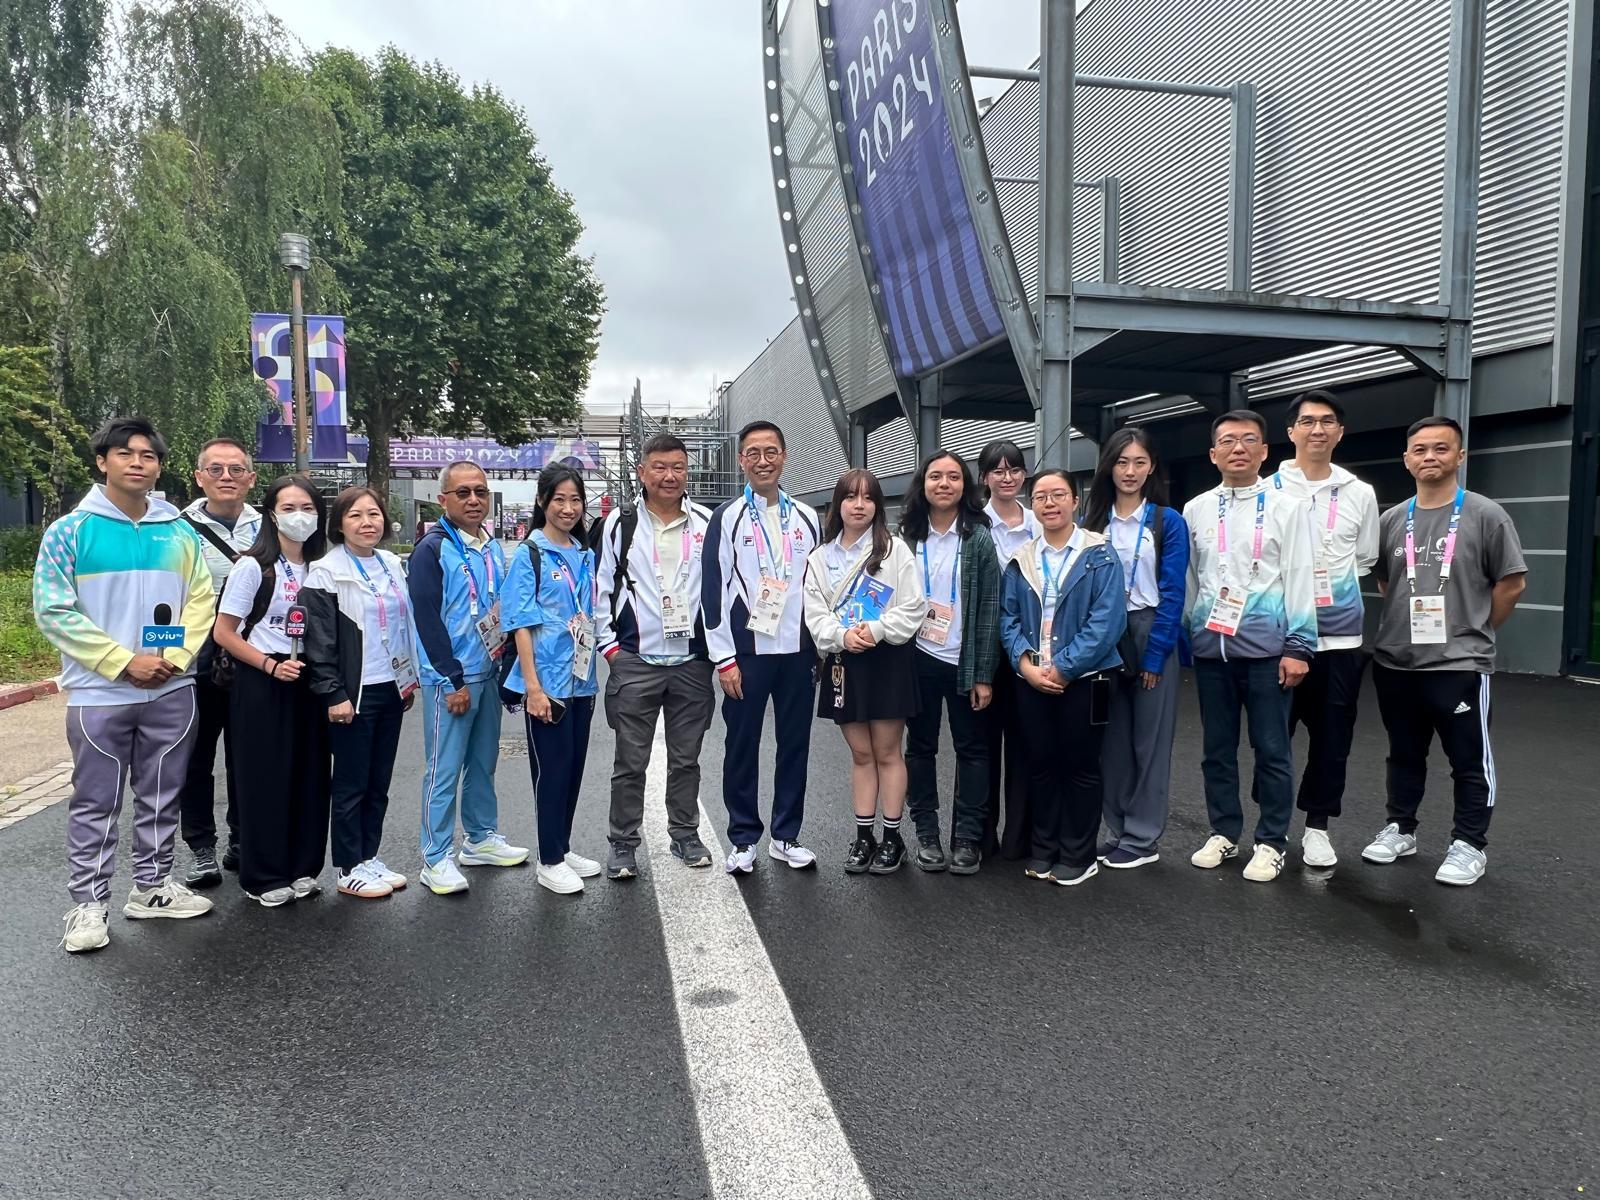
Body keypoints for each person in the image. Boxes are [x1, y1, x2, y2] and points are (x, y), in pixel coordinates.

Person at [35, 417, 217, 952]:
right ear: (103, 461)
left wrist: (174, 658)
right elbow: (53, 609)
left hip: (171, 688)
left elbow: (201, 601)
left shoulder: (178, 531)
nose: (138, 462)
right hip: (100, 693)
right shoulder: (71, 530)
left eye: (149, 455)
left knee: (162, 795)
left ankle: (153, 887)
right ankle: (88, 906)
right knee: (96, 801)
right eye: (126, 453)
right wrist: (121, 661)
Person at [1363, 417, 1526, 886]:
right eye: (1419, 449)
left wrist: (1474, 631)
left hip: (1458, 664)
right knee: (1404, 752)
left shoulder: (1485, 514)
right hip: (1396, 660)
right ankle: (1401, 827)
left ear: (1460, 457)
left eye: (1440, 449)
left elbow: (1511, 584)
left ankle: (1469, 844)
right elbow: (1387, 582)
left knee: (1469, 758)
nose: (1429, 457)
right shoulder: (1393, 519)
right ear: (1406, 459)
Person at [1183, 409, 1317, 883]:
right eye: (1227, 441)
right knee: (1216, 749)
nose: (1237, 448)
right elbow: (1193, 580)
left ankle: (1272, 841)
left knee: (1271, 749)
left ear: (1264, 451)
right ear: (1213, 452)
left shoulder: (1289, 507)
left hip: (1266, 652)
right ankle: (1224, 831)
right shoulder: (1196, 508)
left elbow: (1301, 575)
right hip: (1211, 651)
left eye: (1248, 440)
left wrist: (1299, 647)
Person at [595, 433, 717, 881]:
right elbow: (601, 589)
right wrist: (610, 649)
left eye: (679, 467)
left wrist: (715, 654)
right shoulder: (620, 523)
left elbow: (720, 592)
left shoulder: (706, 522)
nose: (670, 475)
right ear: (642, 472)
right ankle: (623, 844)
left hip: (691, 662)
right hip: (635, 659)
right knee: (630, 761)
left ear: (688, 472)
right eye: (660, 467)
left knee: (687, 758)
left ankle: (685, 834)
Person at [703, 420, 821, 874]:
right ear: (741, 460)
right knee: (742, 744)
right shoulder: (727, 518)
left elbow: (819, 585)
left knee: (795, 744)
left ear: (785, 456)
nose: (763, 460)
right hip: (746, 654)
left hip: (797, 653)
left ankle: (786, 835)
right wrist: (724, 659)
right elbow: (712, 591)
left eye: (771, 451)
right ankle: (744, 837)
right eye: (753, 453)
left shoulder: (808, 517)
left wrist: (821, 648)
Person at [999, 468, 1127, 886]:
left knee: (1080, 766)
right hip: (1033, 679)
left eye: (1058, 495)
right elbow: (1008, 620)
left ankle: (1079, 853)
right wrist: (1026, 666)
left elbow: (1107, 622)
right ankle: (1045, 847)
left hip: (1085, 679)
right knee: (1041, 765)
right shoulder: (1022, 559)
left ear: (1076, 500)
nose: (1049, 504)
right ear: (1032, 505)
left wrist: (1065, 667)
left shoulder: (1100, 555)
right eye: (1040, 497)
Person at [211, 475, 332, 907]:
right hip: (263, 678)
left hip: (310, 677)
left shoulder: (323, 566)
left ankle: (303, 867)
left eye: (308, 508)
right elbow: (224, 633)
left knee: (310, 775)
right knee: (264, 775)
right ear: (270, 514)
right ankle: (262, 874)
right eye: (289, 508)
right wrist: (267, 665)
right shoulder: (252, 567)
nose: (300, 517)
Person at [408, 461, 529, 895]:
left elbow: (498, 609)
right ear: (443, 500)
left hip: (488, 671)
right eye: (463, 493)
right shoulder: (431, 549)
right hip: (451, 679)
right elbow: (426, 619)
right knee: (443, 770)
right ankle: (435, 856)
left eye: (480, 491)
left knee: (483, 763)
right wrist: (452, 677)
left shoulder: (490, 546)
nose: (474, 499)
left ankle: (479, 839)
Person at [1271, 390, 1379, 868]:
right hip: (1276, 637)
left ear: (1339, 432)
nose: (1317, 429)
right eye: (1307, 421)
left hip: (1340, 638)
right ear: (1291, 431)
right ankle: (1269, 826)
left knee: (1332, 737)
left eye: (1327, 421)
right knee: (1273, 736)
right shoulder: (1267, 490)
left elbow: (1364, 559)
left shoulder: (1359, 493)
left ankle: (1317, 826)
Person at [803, 468, 928, 874]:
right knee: (861, 755)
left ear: (878, 505)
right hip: (844, 662)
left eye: (868, 497)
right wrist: (841, 637)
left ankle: (893, 838)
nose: (859, 505)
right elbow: (815, 614)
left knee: (888, 752)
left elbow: (914, 607)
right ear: (837, 505)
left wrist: (874, 630)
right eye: (851, 497)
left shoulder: (895, 551)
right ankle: (864, 836)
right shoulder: (820, 559)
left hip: (888, 658)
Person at [1081, 428, 1189, 869]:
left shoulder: (1167, 521)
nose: (1129, 471)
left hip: (1149, 629)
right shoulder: (1093, 523)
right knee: (1110, 741)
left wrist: (1156, 653)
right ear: (1108, 466)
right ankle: (1119, 828)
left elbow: (1173, 591)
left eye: (1139, 462)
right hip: (1104, 635)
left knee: (1149, 741)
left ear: (1151, 468)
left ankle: (1143, 838)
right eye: (1121, 462)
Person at [303, 487, 419, 900]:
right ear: (338, 524)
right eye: (355, 516)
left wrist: (409, 680)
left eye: (373, 514)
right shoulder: (325, 571)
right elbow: (320, 643)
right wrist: (333, 692)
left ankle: (369, 856)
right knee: (351, 781)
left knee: (378, 780)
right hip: (354, 691)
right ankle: (348, 866)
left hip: (391, 686)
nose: (367, 522)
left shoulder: (390, 563)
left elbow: (403, 626)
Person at [502, 465, 603, 895]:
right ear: (543, 501)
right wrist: (533, 687)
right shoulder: (531, 554)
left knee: (574, 769)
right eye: (559, 499)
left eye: (575, 500)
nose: (568, 508)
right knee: (552, 770)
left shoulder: (584, 552)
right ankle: (549, 859)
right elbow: (520, 623)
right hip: (548, 681)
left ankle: (561, 846)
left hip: (582, 679)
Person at [900, 450, 1002, 875]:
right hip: (916, 659)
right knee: (920, 749)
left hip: (962, 659)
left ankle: (967, 837)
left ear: (966, 486)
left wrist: (983, 673)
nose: (944, 484)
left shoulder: (978, 537)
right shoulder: (907, 538)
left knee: (973, 750)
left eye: (953, 477)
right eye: (936, 476)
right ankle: (926, 833)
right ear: (922, 484)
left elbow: (989, 610)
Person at [176, 437, 261, 886]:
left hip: (253, 660)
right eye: (215, 469)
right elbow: (162, 601)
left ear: (250, 478)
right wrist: (166, 655)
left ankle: (243, 840)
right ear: (199, 476)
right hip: (195, 662)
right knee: (195, 759)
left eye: (235, 470)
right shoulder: (174, 528)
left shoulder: (267, 526)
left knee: (247, 755)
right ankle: (200, 848)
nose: (225, 477)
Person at [978, 439, 1037, 860]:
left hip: (1029, 647)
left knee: (1025, 742)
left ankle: (1020, 838)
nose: (1006, 477)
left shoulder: (1039, 521)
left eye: (1014, 469)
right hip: (983, 647)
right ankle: (978, 837)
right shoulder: (973, 524)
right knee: (980, 745)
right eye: (997, 471)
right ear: (984, 478)